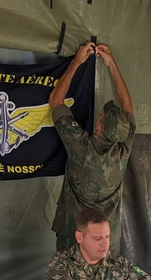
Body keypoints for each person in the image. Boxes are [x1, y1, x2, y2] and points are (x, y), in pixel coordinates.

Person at [49, 41, 135, 253]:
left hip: (75, 235)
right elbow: (128, 108)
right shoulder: (122, 150)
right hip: (105, 241)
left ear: (98, 125)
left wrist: (76, 62)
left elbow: (56, 101)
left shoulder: (80, 147)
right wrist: (112, 64)